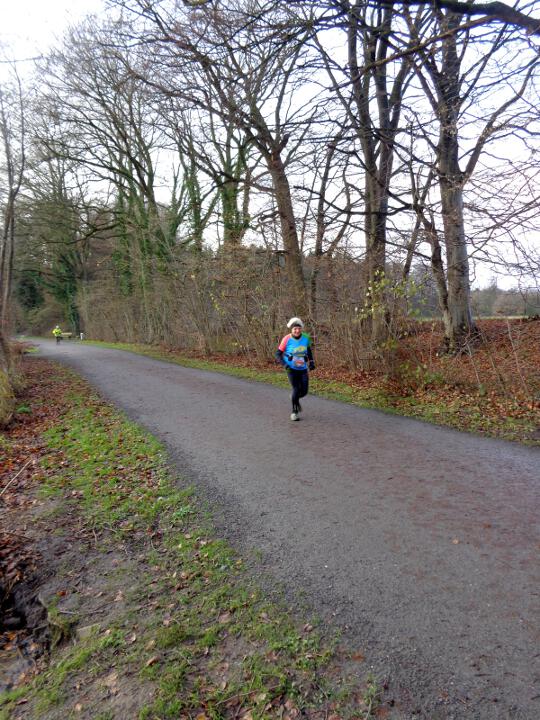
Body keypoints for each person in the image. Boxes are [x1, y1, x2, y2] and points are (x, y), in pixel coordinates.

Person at [275, 317, 315, 421]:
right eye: (295, 329)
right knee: (296, 388)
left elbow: (309, 350)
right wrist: (284, 364)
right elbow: (278, 354)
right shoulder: (286, 339)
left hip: (303, 368)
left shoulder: (306, 338)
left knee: (304, 391)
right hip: (291, 368)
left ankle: (294, 396)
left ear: (301, 329)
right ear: (291, 329)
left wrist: (311, 362)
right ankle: (294, 412)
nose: (297, 331)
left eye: (299, 328)